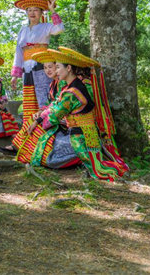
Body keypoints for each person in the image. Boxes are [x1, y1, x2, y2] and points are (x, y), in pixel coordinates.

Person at [27, 49, 126, 180]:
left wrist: (39, 121)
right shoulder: (73, 87)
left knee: (48, 156)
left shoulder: (71, 92)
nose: (55, 71)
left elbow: (54, 116)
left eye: (57, 67)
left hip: (80, 137)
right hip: (85, 132)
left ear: (68, 68)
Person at [6, 0, 64, 154]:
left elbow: (59, 28)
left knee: (44, 102)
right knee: (29, 105)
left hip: (42, 67)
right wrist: (15, 75)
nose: (32, 13)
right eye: (29, 10)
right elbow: (19, 52)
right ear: (26, 13)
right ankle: (25, 143)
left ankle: (46, 142)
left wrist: (53, 11)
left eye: (36, 10)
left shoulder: (45, 27)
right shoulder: (22, 30)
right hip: (27, 70)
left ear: (41, 13)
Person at [12, 50, 79, 168]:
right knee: (32, 121)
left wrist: (40, 119)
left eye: (52, 67)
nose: (48, 70)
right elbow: (50, 104)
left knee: (37, 128)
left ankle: (29, 153)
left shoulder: (63, 84)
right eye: (45, 67)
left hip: (65, 121)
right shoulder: (53, 84)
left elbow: (57, 106)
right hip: (56, 116)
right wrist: (39, 113)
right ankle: (20, 149)